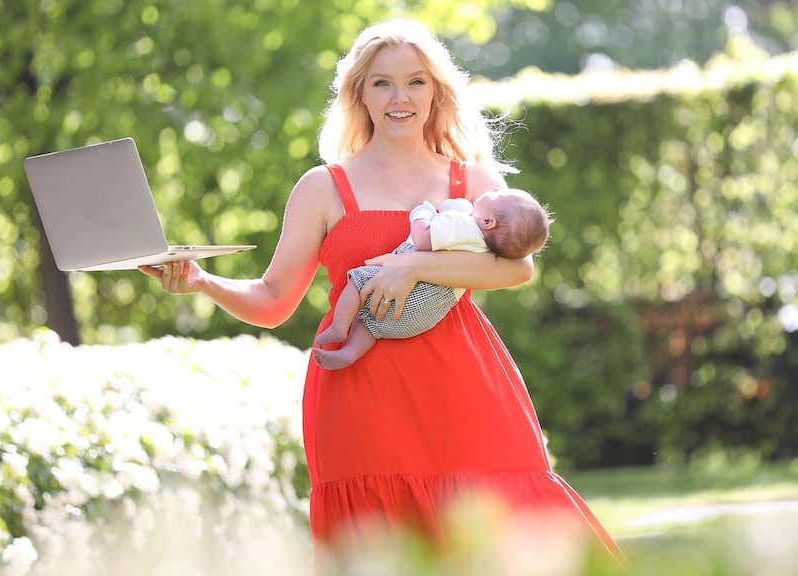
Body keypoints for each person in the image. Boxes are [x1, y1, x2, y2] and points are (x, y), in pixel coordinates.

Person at [141, 17, 627, 570]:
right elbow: (275, 300)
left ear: (437, 92)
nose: (401, 97)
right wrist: (203, 281)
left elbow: (520, 272)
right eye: (382, 83)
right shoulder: (323, 188)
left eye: (417, 82)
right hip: (360, 399)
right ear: (359, 95)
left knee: (503, 545)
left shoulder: (475, 184)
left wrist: (415, 266)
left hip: (464, 392)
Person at [312, 189, 550, 370]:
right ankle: (350, 353)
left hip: (411, 286)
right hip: (425, 315)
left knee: (357, 283)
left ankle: (339, 328)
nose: (493, 190)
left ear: (489, 222)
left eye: (496, 194)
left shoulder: (462, 224)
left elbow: (423, 239)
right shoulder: (488, 250)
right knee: (373, 326)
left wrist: (422, 212)